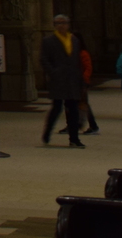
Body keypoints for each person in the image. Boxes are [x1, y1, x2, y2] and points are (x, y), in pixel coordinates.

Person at [38, 15, 87, 148]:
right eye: (58, 23)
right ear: (54, 25)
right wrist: (53, 72)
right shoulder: (48, 41)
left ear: (68, 25)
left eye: (64, 23)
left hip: (72, 79)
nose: (61, 25)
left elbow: (77, 60)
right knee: (57, 108)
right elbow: (44, 59)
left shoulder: (74, 40)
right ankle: (47, 132)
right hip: (58, 80)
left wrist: (81, 79)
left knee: (73, 109)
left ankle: (74, 138)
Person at [74, 30, 98, 135]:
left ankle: (92, 125)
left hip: (82, 82)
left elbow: (88, 68)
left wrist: (84, 79)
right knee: (76, 104)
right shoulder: (74, 53)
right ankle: (77, 123)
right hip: (75, 81)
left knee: (83, 104)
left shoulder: (83, 53)